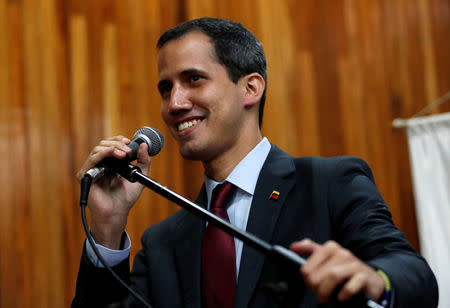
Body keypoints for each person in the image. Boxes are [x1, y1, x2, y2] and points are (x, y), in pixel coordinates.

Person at [72, 17, 438, 308]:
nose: (174, 103)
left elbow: (414, 277)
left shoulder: (330, 184)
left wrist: (376, 279)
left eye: (193, 79)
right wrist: (107, 225)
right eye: (166, 88)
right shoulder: (164, 243)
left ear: (251, 88)